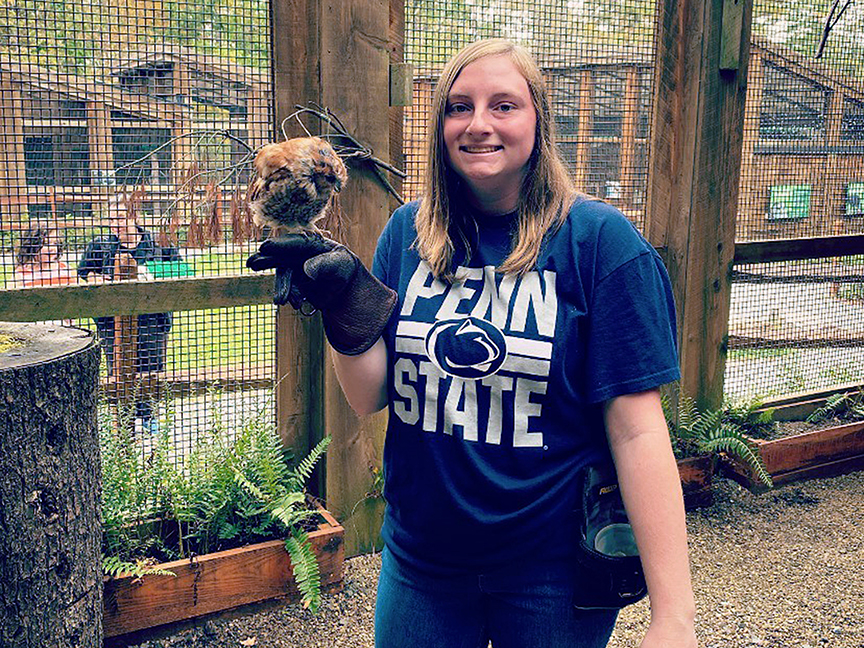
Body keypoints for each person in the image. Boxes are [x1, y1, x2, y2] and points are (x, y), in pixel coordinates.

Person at [248, 39, 697, 648]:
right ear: (439, 126)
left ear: (538, 120)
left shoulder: (600, 245)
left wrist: (674, 618)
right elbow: (369, 395)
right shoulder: (409, 231)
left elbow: (638, 432)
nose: (478, 123)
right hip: (421, 565)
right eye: (459, 106)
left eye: (503, 105)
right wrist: (343, 304)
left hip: (551, 571)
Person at [78, 196, 182, 435]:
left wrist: (153, 275)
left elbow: (180, 269)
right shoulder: (100, 245)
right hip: (111, 322)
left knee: (150, 370)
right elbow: (84, 272)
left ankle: (148, 419)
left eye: (119, 217)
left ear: (133, 217)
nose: (114, 223)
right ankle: (123, 426)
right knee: (119, 371)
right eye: (110, 218)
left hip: (152, 321)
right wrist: (94, 277)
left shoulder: (158, 244)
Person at [13, 224, 76, 288]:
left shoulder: (67, 270)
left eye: (55, 243)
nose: (52, 248)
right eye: (46, 244)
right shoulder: (21, 274)